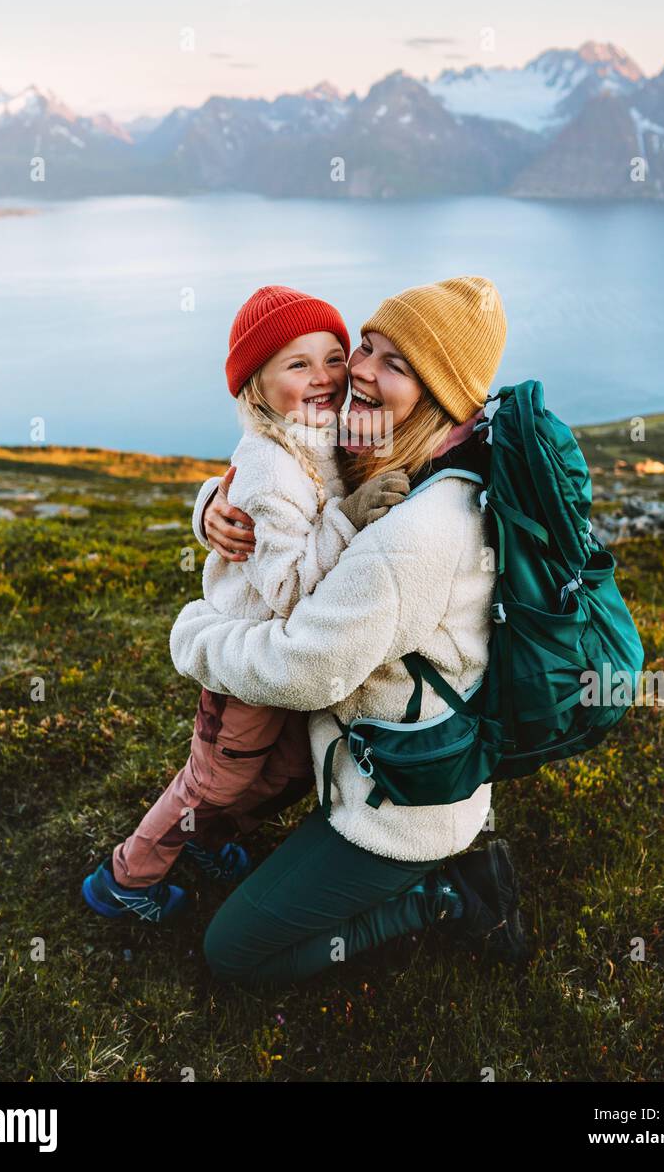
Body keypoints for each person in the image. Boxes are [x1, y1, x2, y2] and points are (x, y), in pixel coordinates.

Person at [170, 276, 529, 987]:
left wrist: (194, 636)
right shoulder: (412, 452)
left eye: (395, 364)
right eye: (365, 345)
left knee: (233, 952)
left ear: (439, 394)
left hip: (396, 811)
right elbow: (286, 466)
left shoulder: (420, 532)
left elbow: (306, 670)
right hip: (366, 767)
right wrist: (211, 503)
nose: (358, 369)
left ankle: (446, 895)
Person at [82, 285, 408, 922]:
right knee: (214, 782)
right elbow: (286, 587)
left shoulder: (320, 433)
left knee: (286, 769)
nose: (325, 377)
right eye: (297, 364)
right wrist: (349, 520)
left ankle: (207, 841)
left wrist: (208, 504)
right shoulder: (273, 463)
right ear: (256, 387)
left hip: (285, 660)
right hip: (248, 661)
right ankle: (125, 877)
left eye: (335, 357)